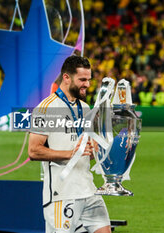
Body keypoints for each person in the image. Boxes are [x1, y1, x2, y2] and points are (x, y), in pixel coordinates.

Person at [28, 55, 111, 233]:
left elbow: (83, 143)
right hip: (62, 194)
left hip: (88, 190)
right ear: (66, 77)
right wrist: (71, 154)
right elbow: (34, 151)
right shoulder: (46, 108)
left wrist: (94, 148)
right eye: (82, 79)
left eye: (88, 79)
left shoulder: (85, 107)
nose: (87, 84)